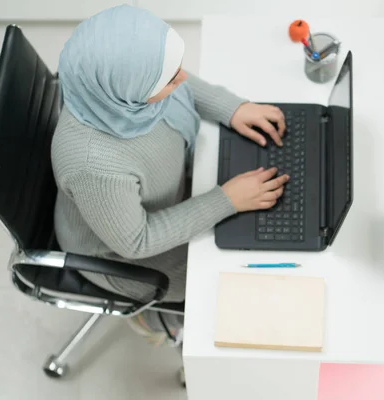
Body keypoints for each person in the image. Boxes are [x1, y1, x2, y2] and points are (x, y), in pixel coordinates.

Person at [51, 4, 289, 341]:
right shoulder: (96, 165)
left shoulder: (114, 91)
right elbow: (137, 241)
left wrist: (232, 108)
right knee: (244, 275)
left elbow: (180, 85)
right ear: (129, 89)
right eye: (168, 77)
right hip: (128, 258)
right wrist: (227, 200)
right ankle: (158, 319)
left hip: (161, 196)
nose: (183, 78)